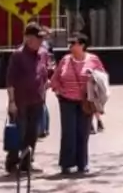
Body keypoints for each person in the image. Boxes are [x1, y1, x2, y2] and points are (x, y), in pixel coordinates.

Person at [50, 33, 105, 175]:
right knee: (68, 133)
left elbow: (102, 79)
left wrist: (93, 77)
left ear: (82, 45)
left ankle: (82, 163)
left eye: (74, 43)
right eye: (70, 43)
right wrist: (57, 90)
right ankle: (66, 164)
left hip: (85, 102)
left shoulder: (93, 60)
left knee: (83, 132)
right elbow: (56, 77)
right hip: (66, 101)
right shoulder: (65, 60)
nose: (71, 46)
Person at [5, 23, 50, 174]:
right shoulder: (18, 55)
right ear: (29, 39)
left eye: (41, 39)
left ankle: (27, 162)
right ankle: (12, 163)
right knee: (19, 132)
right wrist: (11, 102)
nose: (40, 42)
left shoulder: (43, 53)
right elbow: (10, 81)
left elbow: (45, 73)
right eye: (38, 38)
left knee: (33, 133)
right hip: (20, 102)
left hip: (37, 100)